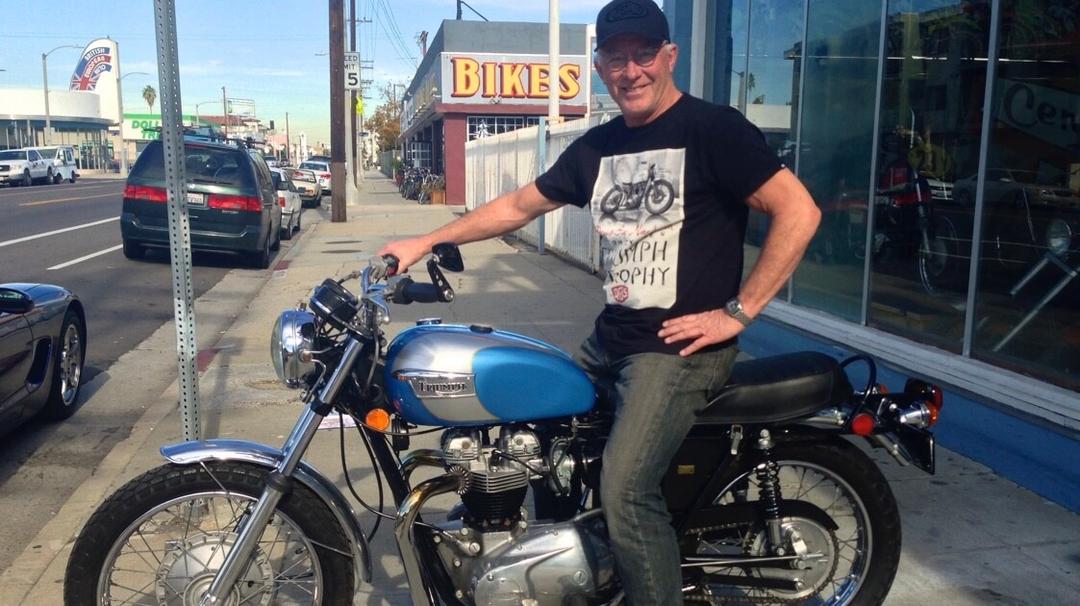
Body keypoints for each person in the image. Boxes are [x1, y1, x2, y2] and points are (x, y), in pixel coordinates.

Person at [378, 0, 821, 602]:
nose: (630, 69)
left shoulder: (713, 130)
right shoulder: (599, 146)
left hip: (675, 353)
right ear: (599, 66)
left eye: (643, 54)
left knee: (626, 491)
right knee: (535, 445)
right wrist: (428, 238)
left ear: (669, 57)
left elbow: (799, 210)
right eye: (616, 57)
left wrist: (737, 312)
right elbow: (519, 206)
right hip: (609, 339)